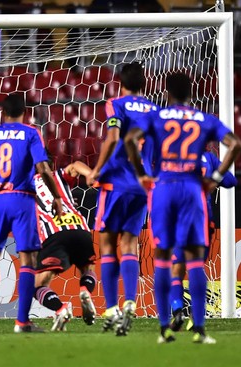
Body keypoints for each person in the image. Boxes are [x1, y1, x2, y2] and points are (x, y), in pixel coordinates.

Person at [125, 72, 241, 344]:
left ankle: (165, 328)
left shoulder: (157, 117)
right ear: (192, 93)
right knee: (194, 259)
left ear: (166, 93)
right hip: (192, 189)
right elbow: (236, 144)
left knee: (164, 258)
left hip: (164, 186)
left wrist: (141, 173)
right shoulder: (205, 119)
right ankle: (199, 330)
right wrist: (214, 178)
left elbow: (130, 138)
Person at [0, 93, 64, 333]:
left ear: (3, 112)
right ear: (25, 112)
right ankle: (22, 322)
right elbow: (43, 167)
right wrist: (56, 197)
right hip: (22, 199)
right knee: (28, 259)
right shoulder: (31, 132)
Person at [87, 62, 157, 336]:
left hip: (116, 182)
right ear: (143, 83)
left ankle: (112, 307)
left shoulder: (115, 103)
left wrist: (97, 170)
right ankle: (131, 301)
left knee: (106, 243)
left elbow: (114, 137)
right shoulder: (154, 109)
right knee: (130, 243)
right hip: (142, 184)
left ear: (120, 82)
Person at [169, 150, 237, 331]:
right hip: (203, 220)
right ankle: (196, 316)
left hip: (179, 218)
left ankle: (176, 309)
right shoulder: (209, 158)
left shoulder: (171, 155)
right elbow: (231, 181)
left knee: (176, 268)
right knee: (196, 268)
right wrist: (213, 177)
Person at [33, 160, 98, 331]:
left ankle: (61, 310)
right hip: (80, 227)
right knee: (87, 269)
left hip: (54, 232)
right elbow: (76, 165)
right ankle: (85, 291)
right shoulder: (58, 176)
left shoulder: (25, 186)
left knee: (39, 285)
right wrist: (90, 175)